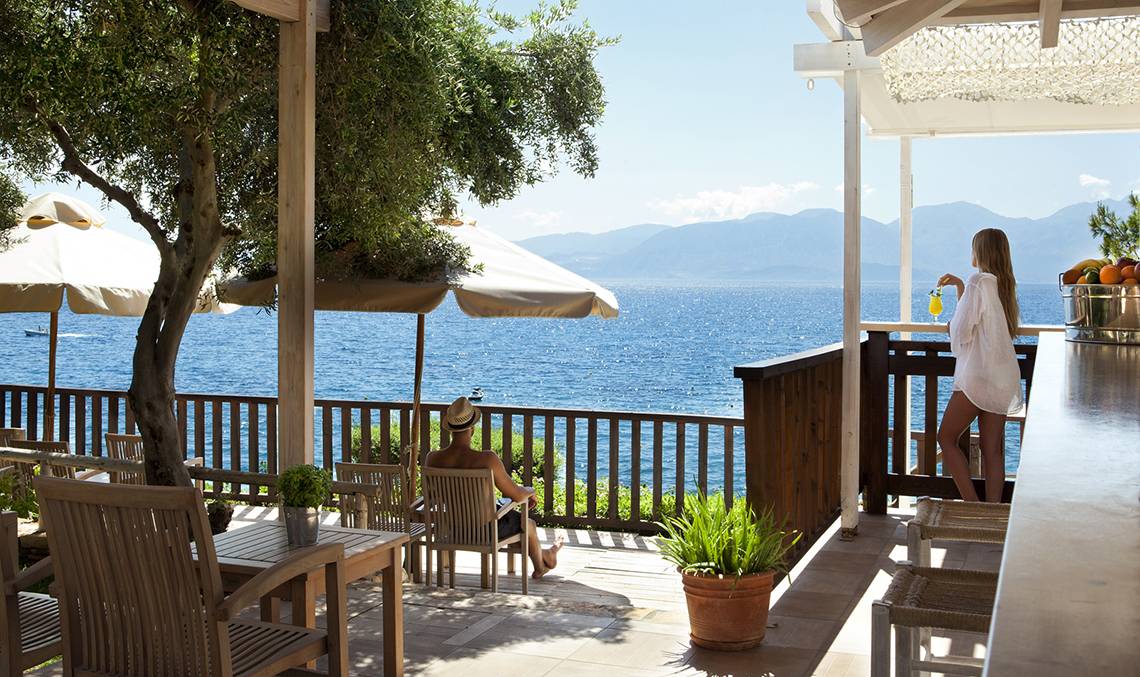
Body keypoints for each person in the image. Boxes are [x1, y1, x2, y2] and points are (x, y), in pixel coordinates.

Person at [425, 396, 564, 578]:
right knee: (527, 523)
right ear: (472, 429)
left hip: (452, 529)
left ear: (450, 429)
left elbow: (432, 496)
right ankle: (542, 563)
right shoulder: (487, 459)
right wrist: (530, 491)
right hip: (486, 532)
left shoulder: (432, 459)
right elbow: (517, 495)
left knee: (517, 521)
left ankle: (547, 555)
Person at [936, 228, 1024, 503]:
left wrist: (950, 326)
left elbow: (961, 331)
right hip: (1002, 378)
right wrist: (961, 288)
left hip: (978, 378)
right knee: (992, 451)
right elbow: (983, 322)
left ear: (980, 251)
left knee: (946, 438)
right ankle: (992, 515)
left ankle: (973, 507)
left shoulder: (978, 281)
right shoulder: (1002, 285)